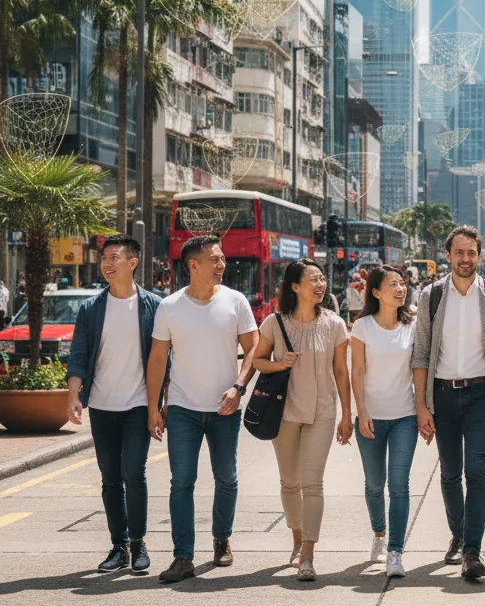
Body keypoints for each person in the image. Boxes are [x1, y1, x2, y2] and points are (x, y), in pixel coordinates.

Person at [146, 234, 259, 583]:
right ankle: (183, 557)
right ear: (193, 265)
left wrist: (239, 387)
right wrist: (154, 407)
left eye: (222, 258)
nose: (222, 264)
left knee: (226, 478)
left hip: (225, 407)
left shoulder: (236, 301)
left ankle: (221, 539)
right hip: (182, 408)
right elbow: (157, 359)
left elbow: (254, 349)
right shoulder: (170, 307)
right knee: (182, 481)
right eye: (215, 259)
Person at [412, 225, 485, 580]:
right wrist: (422, 405)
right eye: (459, 252)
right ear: (448, 255)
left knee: (477, 472)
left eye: (471, 253)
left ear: (479, 256)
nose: (465, 259)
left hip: (482, 394)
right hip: (442, 394)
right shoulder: (432, 296)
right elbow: (420, 353)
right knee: (451, 473)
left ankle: (472, 549)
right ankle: (458, 534)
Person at [251, 258, 352, 582]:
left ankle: (308, 553)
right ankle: (296, 537)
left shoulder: (335, 324)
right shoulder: (274, 323)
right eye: (313, 279)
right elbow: (258, 361)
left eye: (322, 279)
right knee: (290, 482)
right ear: (295, 287)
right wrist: (280, 363)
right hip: (285, 413)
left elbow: (341, 371)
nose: (321, 285)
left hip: (322, 412)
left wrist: (347, 414)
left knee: (312, 482)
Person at [66, 235, 162, 573]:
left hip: (138, 404)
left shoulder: (154, 306)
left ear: (132, 262)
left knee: (133, 472)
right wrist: (73, 395)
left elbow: (164, 359)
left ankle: (138, 543)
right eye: (104, 258)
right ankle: (118, 546)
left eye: (114, 257)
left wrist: (159, 405)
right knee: (110, 478)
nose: (107, 263)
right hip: (102, 405)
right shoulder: (91, 309)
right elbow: (79, 354)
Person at [351, 265, 418, 578]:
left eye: (402, 283)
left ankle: (395, 551)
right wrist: (361, 411)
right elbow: (357, 371)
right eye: (393, 284)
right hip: (371, 417)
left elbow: (418, 369)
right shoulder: (362, 326)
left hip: (405, 416)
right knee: (375, 485)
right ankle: (379, 533)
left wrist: (423, 409)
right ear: (376, 292)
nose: (400, 289)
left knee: (399, 485)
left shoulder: (413, 324)